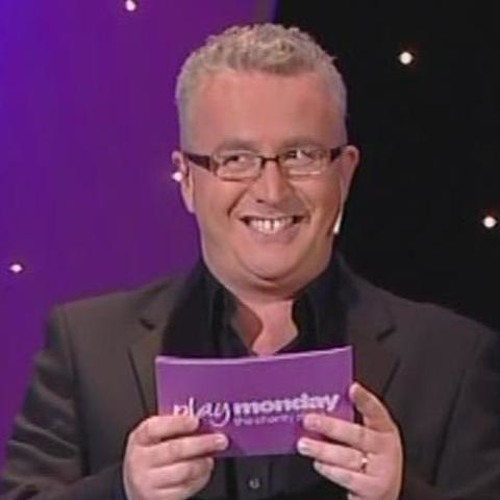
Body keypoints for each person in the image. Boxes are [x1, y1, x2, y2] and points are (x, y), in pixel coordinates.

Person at [2, 23, 500, 500]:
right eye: (235, 159)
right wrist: (123, 492)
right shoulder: (87, 349)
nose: (272, 190)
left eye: (301, 155)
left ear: (344, 174)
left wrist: (400, 495)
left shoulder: (451, 360)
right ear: (188, 179)